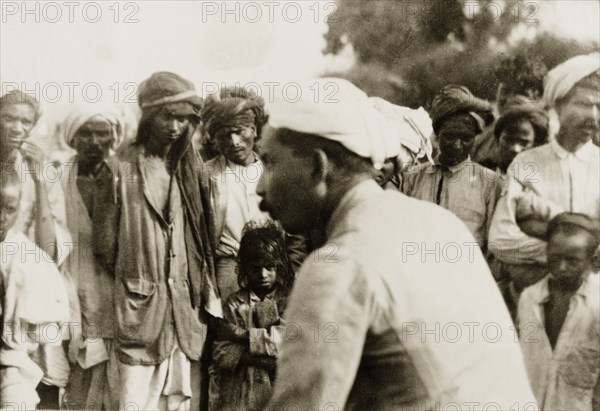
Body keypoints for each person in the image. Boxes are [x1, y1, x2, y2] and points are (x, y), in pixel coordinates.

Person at [256, 78, 536, 410]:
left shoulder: (338, 264)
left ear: (319, 167)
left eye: (270, 163)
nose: (260, 188)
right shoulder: (440, 224)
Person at [94, 72, 221, 410]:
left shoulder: (187, 170)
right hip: (138, 315)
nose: (176, 127)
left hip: (182, 315)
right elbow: (105, 250)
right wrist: (140, 278)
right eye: (169, 116)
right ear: (149, 116)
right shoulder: (119, 170)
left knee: (178, 403)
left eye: (183, 118)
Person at [489, 53, 600, 304]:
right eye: (583, 104)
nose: (593, 116)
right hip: (536, 304)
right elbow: (500, 238)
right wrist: (565, 256)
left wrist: (542, 233)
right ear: (558, 105)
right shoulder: (527, 163)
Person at [59, 104, 124, 410]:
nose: (95, 141)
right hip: (70, 293)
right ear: (72, 138)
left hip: (117, 298)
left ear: (114, 135)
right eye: (86, 133)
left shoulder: (125, 179)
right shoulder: (58, 179)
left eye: (102, 132)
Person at [402, 85, 502, 256]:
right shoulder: (412, 178)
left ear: (475, 138)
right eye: (449, 137)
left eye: (466, 138)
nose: (457, 145)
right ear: (437, 136)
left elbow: (494, 246)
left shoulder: (490, 183)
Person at [0, 162, 69, 410]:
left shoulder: (28, 256)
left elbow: (54, 320)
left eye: (9, 209)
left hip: (13, 365)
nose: (1, 217)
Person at [517, 213, 600, 410]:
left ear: (591, 259)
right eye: (555, 258)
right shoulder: (529, 299)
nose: (562, 267)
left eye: (572, 260)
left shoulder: (597, 305)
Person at [212, 220, 294, 410]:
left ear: (279, 267)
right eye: (255, 268)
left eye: (269, 267)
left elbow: (282, 344)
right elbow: (220, 350)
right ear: (244, 269)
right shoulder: (234, 303)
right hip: (241, 393)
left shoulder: (288, 302)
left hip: (277, 392)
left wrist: (240, 335)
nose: (263, 274)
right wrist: (262, 360)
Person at [202, 86, 269, 302]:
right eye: (225, 135)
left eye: (239, 131)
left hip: (272, 265)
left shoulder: (272, 171)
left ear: (254, 130)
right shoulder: (207, 174)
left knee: (273, 328)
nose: (234, 141)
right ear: (215, 139)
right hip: (230, 266)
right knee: (233, 326)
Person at [0, 90, 69, 265]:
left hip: (23, 273)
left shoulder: (43, 172)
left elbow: (48, 252)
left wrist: (40, 182)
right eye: (8, 118)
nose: (17, 129)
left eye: (26, 122)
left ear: (33, 126)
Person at [471, 54, 549, 170]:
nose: (508, 99)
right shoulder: (482, 138)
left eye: (519, 93)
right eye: (505, 91)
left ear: (536, 95)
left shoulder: (550, 139)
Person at [495, 105, 550, 177]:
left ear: (536, 145)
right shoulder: (481, 174)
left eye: (523, 143)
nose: (514, 149)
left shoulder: (544, 181)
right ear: (498, 140)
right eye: (508, 140)